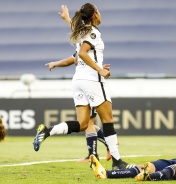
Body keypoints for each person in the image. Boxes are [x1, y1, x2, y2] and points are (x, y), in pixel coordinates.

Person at [33, 2, 133, 169]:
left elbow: (80, 46)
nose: (100, 14)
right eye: (98, 11)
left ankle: (47, 132)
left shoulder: (82, 33)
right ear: (94, 15)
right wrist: (100, 69)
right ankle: (117, 162)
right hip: (92, 80)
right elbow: (82, 53)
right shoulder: (93, 33)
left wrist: (67, 19)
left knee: (83, 123)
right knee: (108, 120)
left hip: (78, 81)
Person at [45, 55, 112, 162]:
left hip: (92, 86)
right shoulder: (82, 48)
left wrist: (98, 69)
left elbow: (73, 60)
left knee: (89, 123)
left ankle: (94, 154)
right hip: (84, 86)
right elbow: (73, 60)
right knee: (87, 123)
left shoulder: (87, 46)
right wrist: (55, 63)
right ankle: (106, 149)